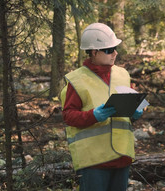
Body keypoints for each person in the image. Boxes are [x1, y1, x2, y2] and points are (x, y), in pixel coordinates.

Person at [60, 23, 143, 191]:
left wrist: (137, 111)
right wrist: (93, 115)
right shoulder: (77, 81)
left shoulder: (123, 75)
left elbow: (132, 103)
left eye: (115, 48)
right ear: (93, 52)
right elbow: (68, 116)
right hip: (94, 161)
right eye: (109, 49)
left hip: (122, 156)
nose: (115, 53)